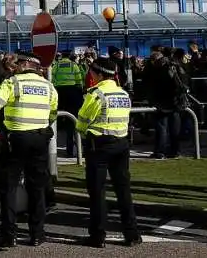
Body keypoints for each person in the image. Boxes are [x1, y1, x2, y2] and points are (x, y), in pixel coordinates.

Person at [0, 51, 58, 250]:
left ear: (24, 65)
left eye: (18, 63)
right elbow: (53, 112)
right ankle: (37, 234)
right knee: (37, 187)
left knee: (8, 187)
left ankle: (9, 235)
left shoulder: (13, 83)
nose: (15, 65)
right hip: (40, 138)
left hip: (16, 140)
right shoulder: (48, 86)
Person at [76, 57, 141, 249]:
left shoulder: (96, 94)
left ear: (99, 74)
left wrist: (83, 132)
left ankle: (98, 235)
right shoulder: (122, 93)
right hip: (121, 144)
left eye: (92, 72)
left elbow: (82, 121)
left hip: (100, 145)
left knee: (97, 192)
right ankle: (132, 234)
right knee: (123, 191)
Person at [51, 51, 84, 158]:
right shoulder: (73, 65)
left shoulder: (56, 65)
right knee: (73, 120)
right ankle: (72, 150)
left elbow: (52, 77)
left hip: (59, 92)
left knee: (57, 117)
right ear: (70, 57)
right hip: (72, 93)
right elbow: (79, 79)